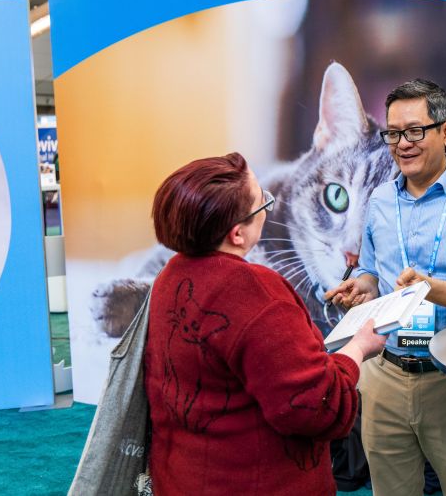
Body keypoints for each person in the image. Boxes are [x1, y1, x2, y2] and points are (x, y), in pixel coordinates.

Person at [144, 153, 386, 495]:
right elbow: (318, 408)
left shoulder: (170, 275)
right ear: (238, 233)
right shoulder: (257, 293)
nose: (270, 210)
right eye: (263, 204)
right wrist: (357, 349)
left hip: (183, 474)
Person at [325, 79, 446, 495]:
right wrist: (361, 287)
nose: (402, 144)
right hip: (384, 376)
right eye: (393, 133)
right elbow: (373, 272)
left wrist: (429, 288)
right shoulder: (378, 201)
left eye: (414, 131)